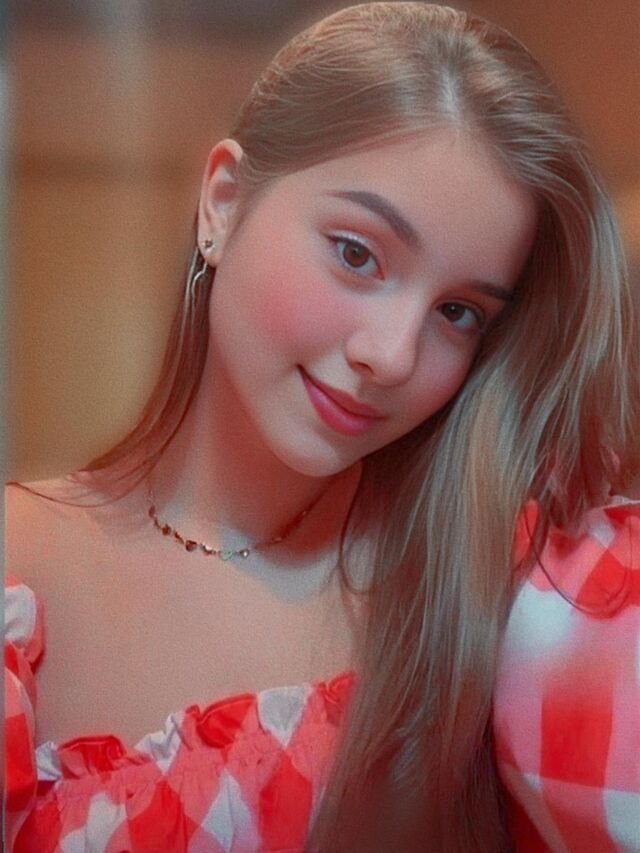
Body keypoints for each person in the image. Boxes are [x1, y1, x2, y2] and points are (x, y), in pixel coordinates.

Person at [5, 3, 639, 851]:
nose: (393, 354)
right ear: (223, 202)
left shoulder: (502, 595)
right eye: (356, 253)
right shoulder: (19, 569)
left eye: (458, 311)